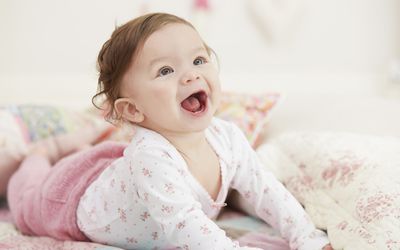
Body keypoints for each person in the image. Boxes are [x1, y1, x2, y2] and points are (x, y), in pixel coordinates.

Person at [7, 12, 333, 250]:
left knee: (103, 163)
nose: (190, 76)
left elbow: (267, 191)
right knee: (27, 192)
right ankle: (41, 152)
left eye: (199, 60)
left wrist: (307, 237)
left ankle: (74, 146)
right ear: (133, 110)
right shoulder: (151, 156)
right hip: (67, 202)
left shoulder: (227, 138)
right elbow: (185, 225)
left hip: (114, 174)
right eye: (166, 70)